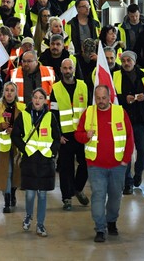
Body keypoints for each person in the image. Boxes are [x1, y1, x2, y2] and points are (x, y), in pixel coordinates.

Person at [75, 84, 133, 243]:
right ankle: (100, 228)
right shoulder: (88, 113)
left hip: (117, 166)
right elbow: (78, 135)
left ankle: (111, 221)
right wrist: (86, 136)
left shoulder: (120, 112)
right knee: (98, 196)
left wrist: (125, 161)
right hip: (95, 166)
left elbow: (129, 138)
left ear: (109, 97)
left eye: (104, 98)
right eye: (98, 98)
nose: (101, 101)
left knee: (115, 197)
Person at [12, 88, 61, 238]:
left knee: (43, 195)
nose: (38, 100)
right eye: (35, 97)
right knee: (30, 195)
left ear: (45, 100)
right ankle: (28, 216)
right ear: (31, 99)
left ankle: (40, 224)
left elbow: (57, 137)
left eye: (41, 98)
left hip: (45, 161)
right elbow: (15, 135)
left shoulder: (50, 117)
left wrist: (52, 152)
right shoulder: (24, 115)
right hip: (30, 160)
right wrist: (24, 149)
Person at [50, 57, 90, 210]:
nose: (67, 71)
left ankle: (77, 188)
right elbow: (53, 114)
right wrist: (57, 135)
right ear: (61, 70)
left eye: (70, 68)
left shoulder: (83, 86)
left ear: (74, 69)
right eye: (65, 68)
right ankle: (67, 198)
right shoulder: (55, 88)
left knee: (85, 163)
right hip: (65, 136)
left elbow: (89, 109)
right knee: (66, 168)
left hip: (81, 133)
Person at [114, 51, 144, 194]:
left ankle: (138, 174)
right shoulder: (116, 76)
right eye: (123, 60)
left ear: (134, 61)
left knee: (143, 151)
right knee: (126, 153)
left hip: (141, 120)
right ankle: (128, 182)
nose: (126, 63)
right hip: (123, 120)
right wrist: (124, 98)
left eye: (129, 60)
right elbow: (110, 96)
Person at [0, 82, 24, 214]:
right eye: (7, 90)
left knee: (16, 173)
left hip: (17, 147)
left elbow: (26, 127)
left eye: (12, 90)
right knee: (7, 173)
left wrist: (15, 130)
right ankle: (7, 200)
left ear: (16, 93)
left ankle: (13, 192)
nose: (9, 93)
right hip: (2, 147)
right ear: (3, 92)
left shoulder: (22, 108)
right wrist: (1, 126)